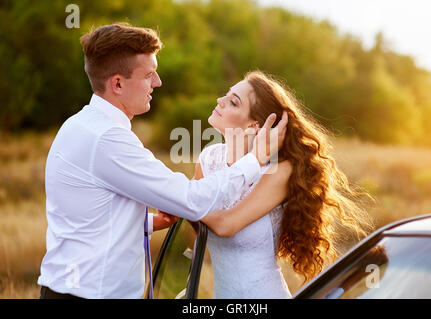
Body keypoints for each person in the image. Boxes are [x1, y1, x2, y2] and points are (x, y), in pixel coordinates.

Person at [37, 23, 287, 299]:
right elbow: (194, 200)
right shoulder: (108, 139)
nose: (157, 82)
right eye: (148, 75)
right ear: (118, 83)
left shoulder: (79, 125)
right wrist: (256, 157)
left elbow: (85, 216)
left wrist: (147, 222)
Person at [191, 71, 374, 298]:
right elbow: (199, 225)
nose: (220, 101)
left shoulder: (279, 171)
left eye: (233, 102)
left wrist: (178, 198)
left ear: (254, 125)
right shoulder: (208, 159)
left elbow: (225, 225)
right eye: (226, 95)